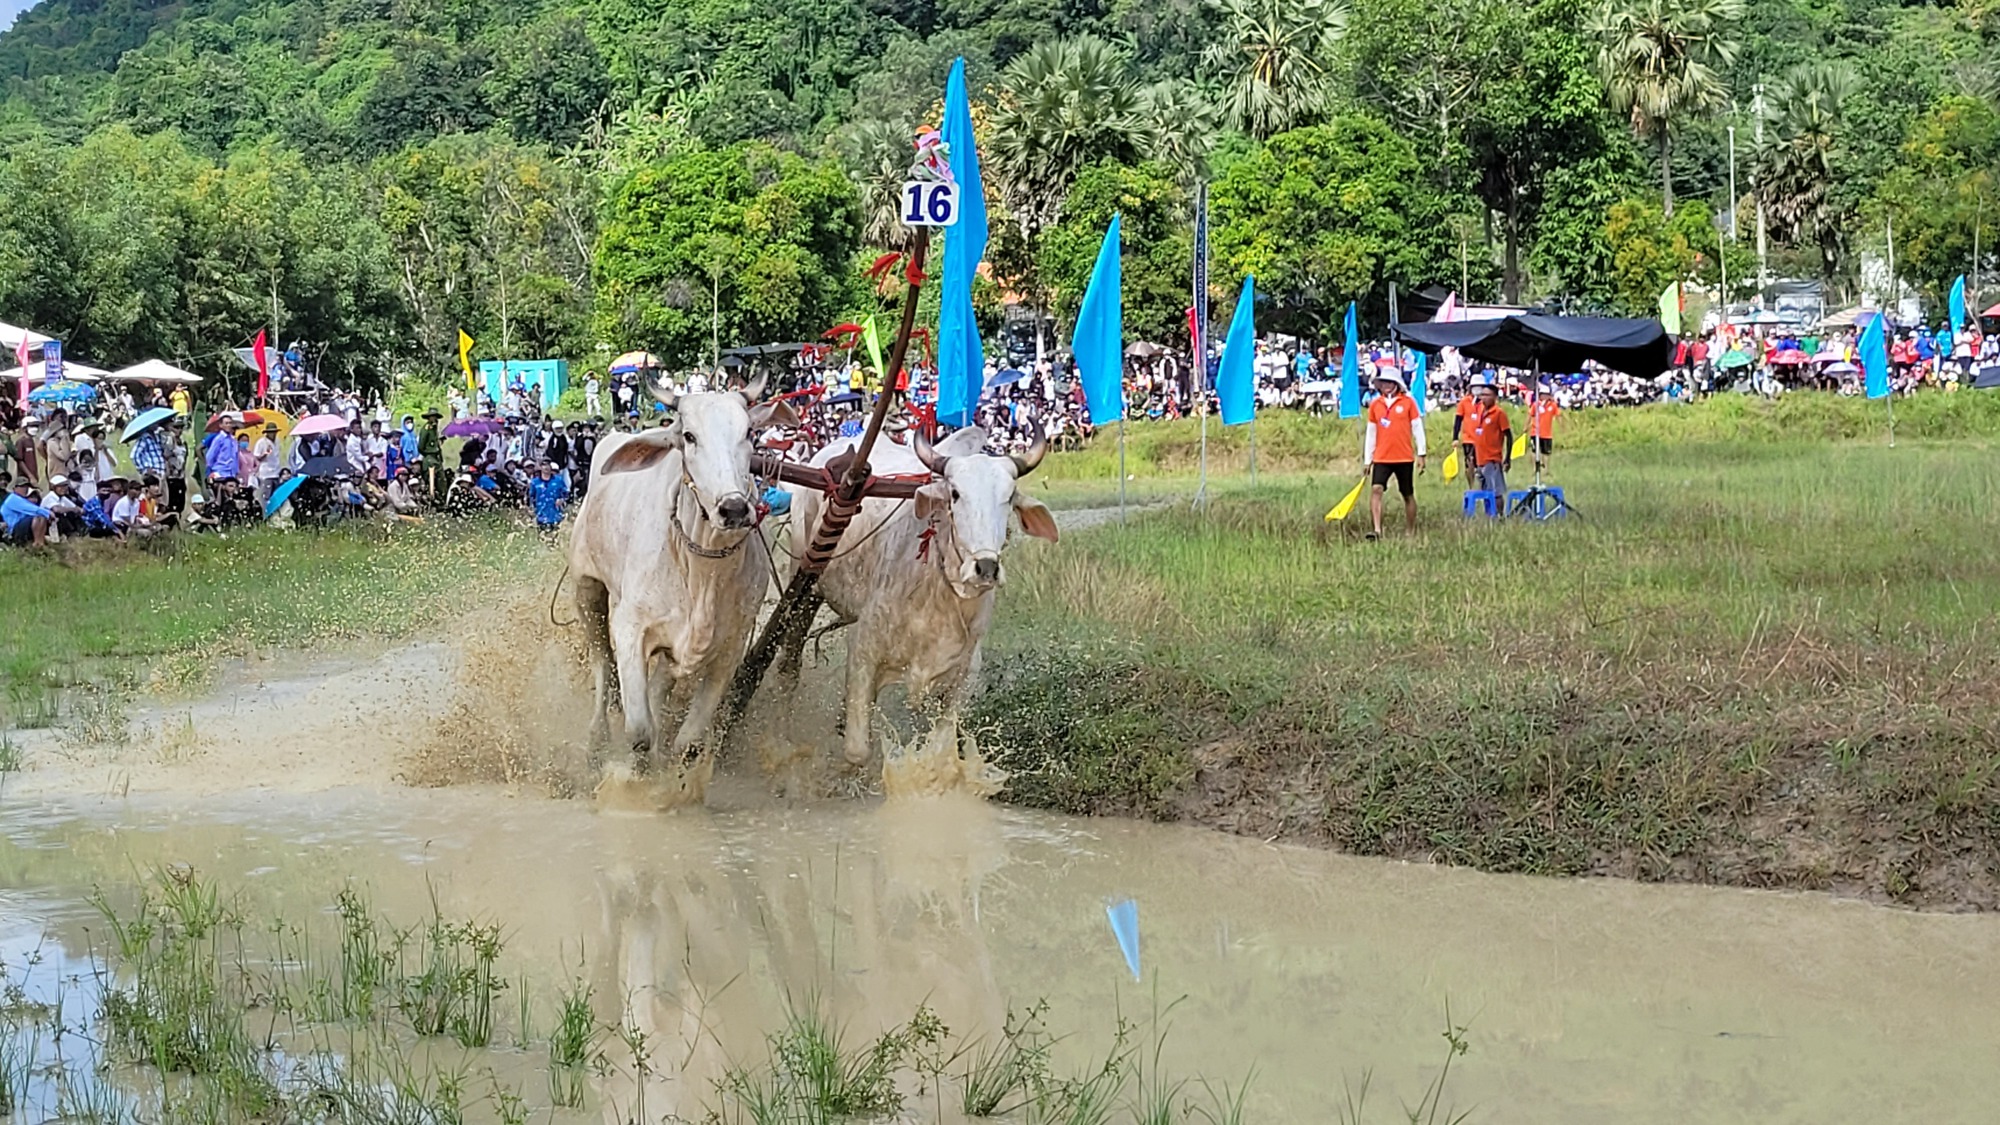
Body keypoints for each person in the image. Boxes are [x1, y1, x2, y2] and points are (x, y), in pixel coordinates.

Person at [1362, 366, 1425, 541]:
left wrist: (1422, 452)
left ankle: (1410, 531)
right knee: (1376, 489)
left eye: (1390, 382)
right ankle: (1377, 530)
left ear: (1397, 384)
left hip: (1404, 456)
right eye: (1383, 382)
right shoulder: (1375, 405)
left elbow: (1417, 428)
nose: (1386, 385)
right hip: (1382, 456)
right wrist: (1368, 460)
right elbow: (1371, 433)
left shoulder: (1408, 403)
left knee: (1407, 493)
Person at [1464, 375, 1513, 500]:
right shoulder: (1480, 411)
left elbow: (1509, 436)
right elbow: (1478, 435)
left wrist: (1507, 458)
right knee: (1485, 491)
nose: (1483, 398)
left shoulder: (1499, 413)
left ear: (1495, 397)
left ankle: (1499, 517)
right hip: (1480, 458)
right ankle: (1489, 515)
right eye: (1482, 395)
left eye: (1487, 395)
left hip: (1492, 458)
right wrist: (1472, 453)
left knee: (1496, 491)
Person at [3, 477, 53, 547]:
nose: (25, 489)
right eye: (22, 486)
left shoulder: (22, 499)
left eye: (27, 486)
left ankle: (40, 542)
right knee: (36, 517)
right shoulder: (13, 498)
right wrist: (48, 513)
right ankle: (37, 542)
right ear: (15, 488)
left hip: (23, 526)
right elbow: (32, 509)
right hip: (13, 530)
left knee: (41, 517)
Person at [527, 459, 569, 533]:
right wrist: (531, 512)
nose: (546, 467)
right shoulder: (535, 483)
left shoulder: (558, 481)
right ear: (540, 467)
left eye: (548, 465)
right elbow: (530, 498)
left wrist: (562, 500)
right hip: (541, 517)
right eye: (543, 465)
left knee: (555, 540)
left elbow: (567, 495)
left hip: (556, 516)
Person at [1527, 379, 1559, 472]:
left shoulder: (1552, 405)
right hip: (1535, 432)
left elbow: (1558, 416)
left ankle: (1546, 470)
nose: (1544, 396)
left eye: (1546, 394)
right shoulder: (1535, 405)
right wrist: (1526, 427)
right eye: (1542, 394)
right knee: (1534, 452)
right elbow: (1530, 416)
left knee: (1546, 453)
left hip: (1547, 433)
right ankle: (1535, 469)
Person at [252, 423, 281, 509]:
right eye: (271, 432)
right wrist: (265, 454)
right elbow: (256, 457)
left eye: (274, 432)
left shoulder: (277, 441)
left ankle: (274, 513)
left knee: (275, 495)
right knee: (265, 495)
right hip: (266, 473)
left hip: (276, 471)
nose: (273, 434)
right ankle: (264, 514)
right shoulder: (261, 442)